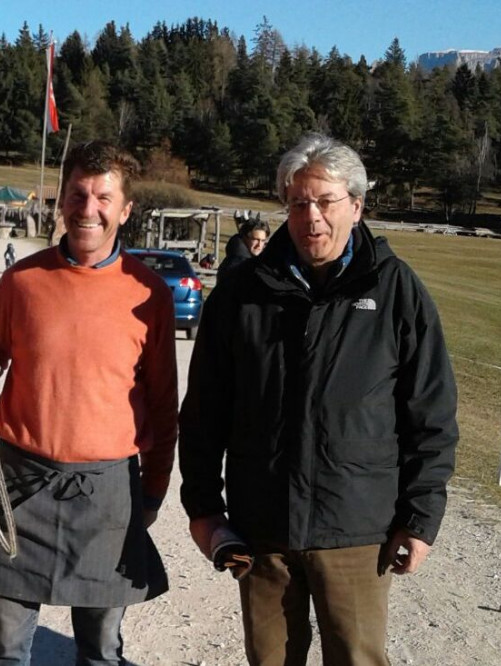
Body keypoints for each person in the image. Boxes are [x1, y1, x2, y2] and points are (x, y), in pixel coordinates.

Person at [179, 134, 458, 666]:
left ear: (356, 205)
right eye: (299, 203)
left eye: (326, 202)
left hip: (356, 530)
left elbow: (431, 412)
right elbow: (204, 411)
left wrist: (421, 516)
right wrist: (203, 508)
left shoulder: (396, 289)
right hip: (263, 530)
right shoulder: (242, 291)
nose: (312, 218)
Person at [0, 141, 178, 664]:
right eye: (77, 194)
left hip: (107, 491)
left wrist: (154, 491)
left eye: (102, 196)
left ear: (124, 209)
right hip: (19, 485)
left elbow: (164, 407)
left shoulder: (149, 293)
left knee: (100, 652)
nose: (87, 208)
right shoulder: (22, 281)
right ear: (62, 201)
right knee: (4, 649)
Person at [216, 218, 269, 283]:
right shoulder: (237, 265)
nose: (259, 245)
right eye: (255, 240)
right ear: (245, 238)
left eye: (263, 241)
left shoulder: (251, 261)